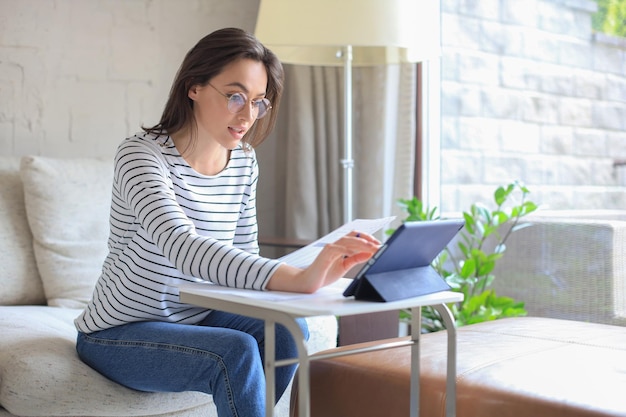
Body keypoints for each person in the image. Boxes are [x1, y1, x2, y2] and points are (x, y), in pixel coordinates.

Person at [74, 27, 379, 417]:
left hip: (197, 318)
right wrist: (296, 277)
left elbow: (242, 256)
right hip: (118, 333)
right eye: (235, 96)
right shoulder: (141, 156)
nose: (247, 115)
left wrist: (313, 278)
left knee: (287, 332)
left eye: (257, 102)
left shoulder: (244, 161)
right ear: (194, 87)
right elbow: (182, 247)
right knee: (233, 352)